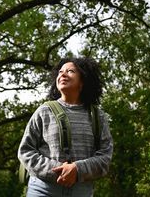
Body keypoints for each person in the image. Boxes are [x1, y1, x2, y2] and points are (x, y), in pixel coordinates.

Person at [18, 57, 113, 197]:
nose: (63, 74)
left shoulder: (98, 117)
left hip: (81, 192)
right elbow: (26, 151)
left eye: (70, 71)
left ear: (83, 81)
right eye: (60, 71)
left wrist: (77, 169)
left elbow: (105, 157)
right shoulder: (44, 111)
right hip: (42, 190)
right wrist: (59, 171)